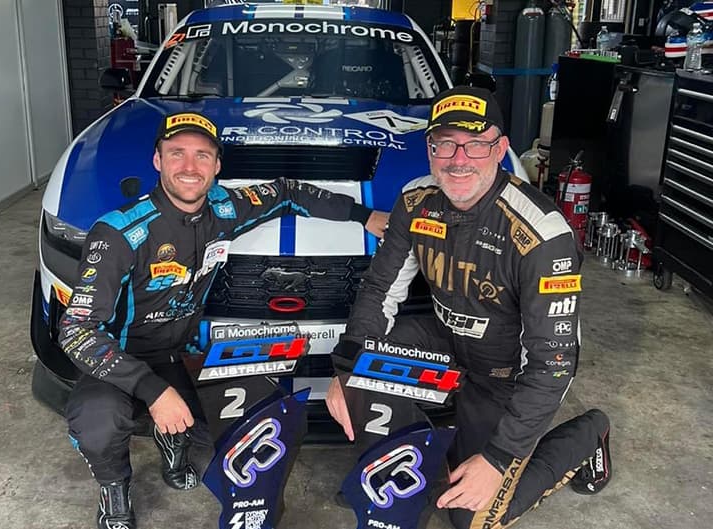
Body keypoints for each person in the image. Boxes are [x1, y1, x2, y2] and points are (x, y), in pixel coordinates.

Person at [59, 111, 388, 529]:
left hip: (177, 356)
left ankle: (173, 440)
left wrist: (364, 217)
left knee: (228, 444)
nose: (189, 167)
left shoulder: (226, 209)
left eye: (202, 155)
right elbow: (76, 329)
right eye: (176, 154)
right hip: (116, 361)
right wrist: (152, 391)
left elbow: (287, 192)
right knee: (98, 422)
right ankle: (114, 487)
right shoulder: (119, 232)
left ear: (217, 166)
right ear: (157, 161)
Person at [325, 86, 612, 529]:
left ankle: (588, 434)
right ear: (430, 149)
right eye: (445, 143)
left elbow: (553, 364)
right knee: (361, 360)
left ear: (500, 149)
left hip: (506, 375)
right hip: (445, 341)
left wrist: (497, 460)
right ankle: (396, 465)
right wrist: (348, 371)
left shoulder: (542, 233)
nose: (459, 159)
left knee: (471, 518)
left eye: (476, 144)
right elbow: (380, 288)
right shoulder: (416, 199)